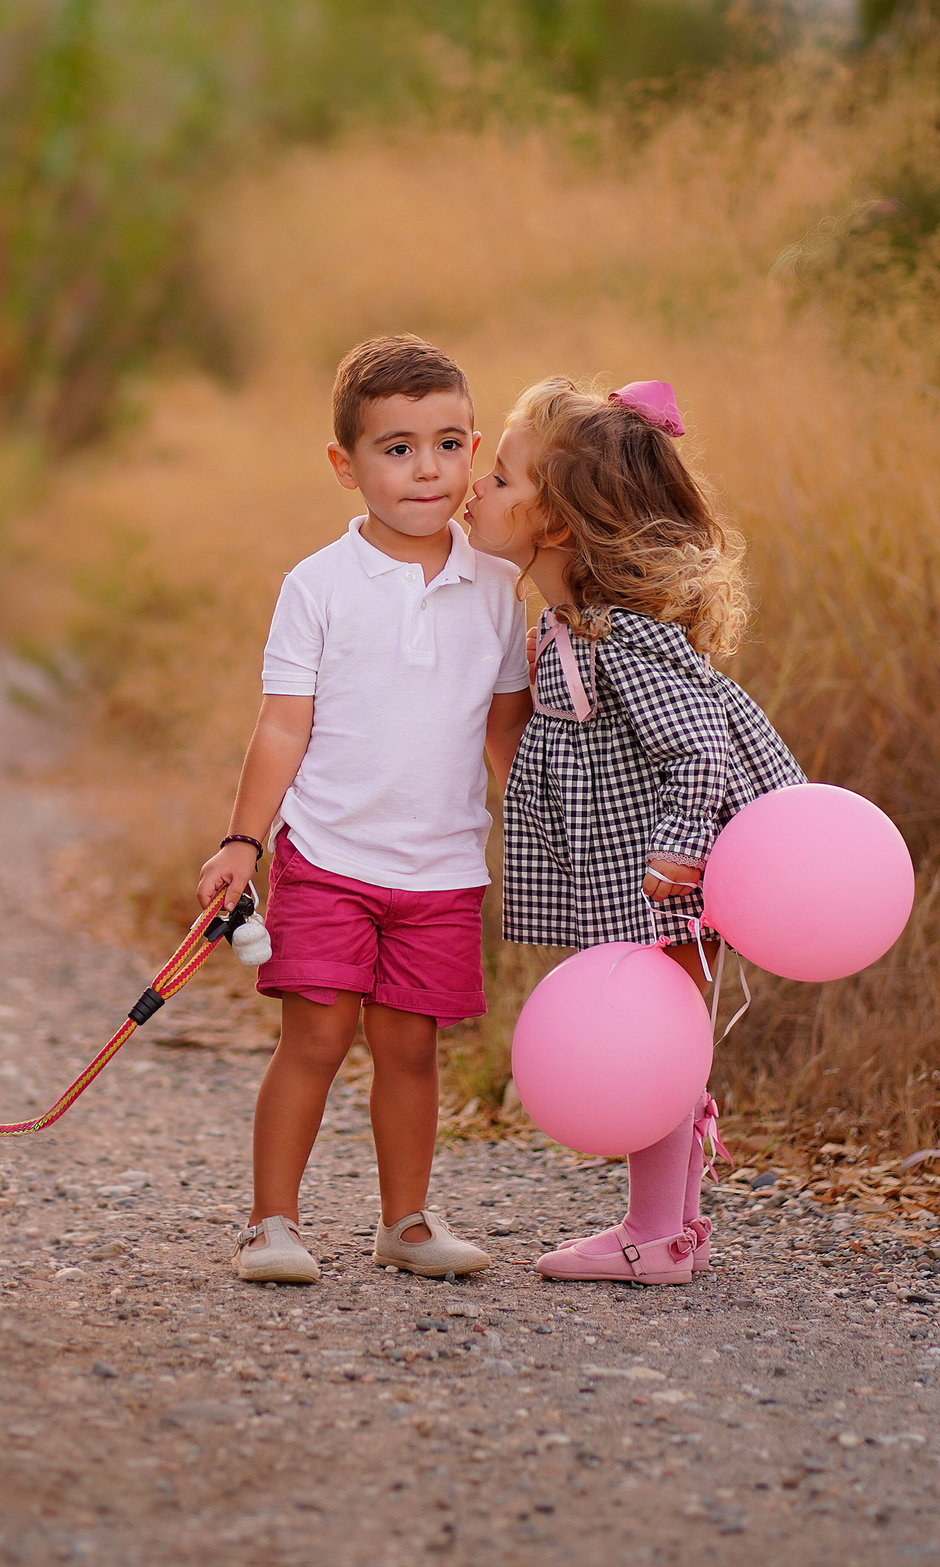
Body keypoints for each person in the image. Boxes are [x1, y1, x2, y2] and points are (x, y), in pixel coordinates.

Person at [196, 334, 532, 1285]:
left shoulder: (500, 590)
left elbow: (507, 737)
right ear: (347, 466)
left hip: (441, 868)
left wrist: (547, 831)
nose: (428, 468)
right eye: (398, 447)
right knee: (316, 1035)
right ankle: (271, 1222)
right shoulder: (319, 585)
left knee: (410, 1048)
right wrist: (241, 841)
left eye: (451, 443)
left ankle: (407, 1222)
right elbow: (280, 729)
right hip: (330, 853)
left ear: (473, 451)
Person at [463, 375, 803, 1284]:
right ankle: (673, 1229)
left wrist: (679, 850)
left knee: (655, 1048)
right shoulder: (573, 627)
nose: (475, 490)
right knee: (670, 1048)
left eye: (499, 479)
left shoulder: (618, 640)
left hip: (663, 878)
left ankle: (654, 1235)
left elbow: (699, 749)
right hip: (642, 873)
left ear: (559, 526)